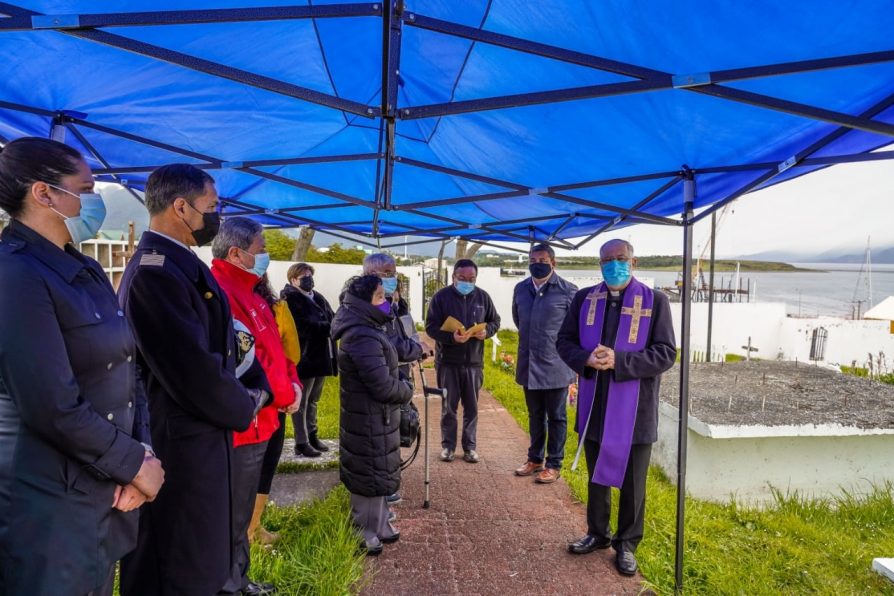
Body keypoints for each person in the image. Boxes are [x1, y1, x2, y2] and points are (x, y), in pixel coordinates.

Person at [0, 137, 164, 595]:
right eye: (86, 188)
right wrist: (133, 462)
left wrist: (141, 457)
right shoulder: (15, 274)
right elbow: (50, 403)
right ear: (44, 193)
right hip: (48, 498)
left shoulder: (83, 270)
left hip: (101, 485)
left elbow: (129, 371)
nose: (95, 200)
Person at [117, 164, 263, 595]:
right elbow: (190, 367)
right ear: (181, 207)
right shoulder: (155, 272)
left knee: (200, 557)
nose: (215, 217)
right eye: (211, 207)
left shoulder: (177, 264)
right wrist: (244, 403)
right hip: (177, 441)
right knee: (177, 563)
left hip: (198, 434)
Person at [556, 239, 675, 577]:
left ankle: (626, 544)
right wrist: (586, 358)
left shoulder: (656, 302)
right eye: (607, 260)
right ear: (599, 264)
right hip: (595, 405)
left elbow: (666, 353)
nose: (614, 265)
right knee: (597, 477)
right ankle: (597, 533)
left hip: (635, 409)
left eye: (620, 259)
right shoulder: (584, 299)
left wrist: (620, 361)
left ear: (633, 262)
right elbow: (564, 342)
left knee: (633, 482)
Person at [211, 217, 301, 595]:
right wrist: (286, 394)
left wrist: (292, 382)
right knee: (230, 517)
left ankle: (240, 579)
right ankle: (228, 585)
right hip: (244, 423)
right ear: (236, 253)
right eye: (261, 250)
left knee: (241, 514)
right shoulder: (222, 294)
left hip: (265, 418)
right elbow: (250, 362)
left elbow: (276, 352)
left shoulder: (253, 292)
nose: (265, 257)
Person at [332, 275, 413, 556]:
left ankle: (379, 525)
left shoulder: (369, 328)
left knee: (381, 472)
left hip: (378, 417)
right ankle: (363, 531)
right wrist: (406, 389)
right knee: (368, 474)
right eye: (379, 297)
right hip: (367, 419)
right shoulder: (360, 336)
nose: (386, 301)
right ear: (363, 302)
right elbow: (381, 384)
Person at [362, 253, 425, 505]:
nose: (392, 279)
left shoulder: (393, 302)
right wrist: (417, 350)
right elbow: (391, 343)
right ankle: (380, 486)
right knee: (380, 431)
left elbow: (405, 330)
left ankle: (390, 473)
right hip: (383, 378)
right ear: (369, 275)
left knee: (395, 428)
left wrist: (399, 305)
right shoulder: (369, 305)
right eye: (386, 274)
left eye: (393, 273)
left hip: (400, 373)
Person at [512, 243, 578, 484]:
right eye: (532, 260)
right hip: (529, 364)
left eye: (542, 260)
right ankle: (535, 459)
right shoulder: (520, 289)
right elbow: (519, 320)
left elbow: (575, 329)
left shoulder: (568, 291)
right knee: (535, 415)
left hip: (556, 365)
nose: (536, 264)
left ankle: (554, 463)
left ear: (553, 262)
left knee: (557, 416)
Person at [425, 259, 500, 464]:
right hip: (448, 362)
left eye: (471, 279)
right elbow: (430, 327)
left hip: (474, 363)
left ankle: (470, 448)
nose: (467, 282)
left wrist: (486, 332)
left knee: (472, 407)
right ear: (454, 277)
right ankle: (448, 446)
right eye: (463, 278)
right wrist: (451, 338)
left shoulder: (483, 297)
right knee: (449, 407)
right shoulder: (441, 298)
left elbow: (495, 321)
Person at [250, 272, 301, 544]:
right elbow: (290, 350)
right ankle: (249, 529)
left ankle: (253, 527)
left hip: (271, 398)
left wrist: (290, 387)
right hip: (266, 398)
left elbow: (289, 354)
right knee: (263, 462)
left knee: (266, 462)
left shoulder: (274, 306)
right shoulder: (276, 307)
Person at [281, 262, 337, 458]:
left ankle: (313, 435)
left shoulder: (317, 296)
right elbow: (301, 326)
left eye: (310, 275)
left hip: (322, 355)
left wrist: (329, 325)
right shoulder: (290, 298)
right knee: (302, 402)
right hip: (305, 357)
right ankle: (301, 441)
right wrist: (326, 327)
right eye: (304, 276)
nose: (309, 279)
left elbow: (333, 317)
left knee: (314, 399)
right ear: (293, 279)